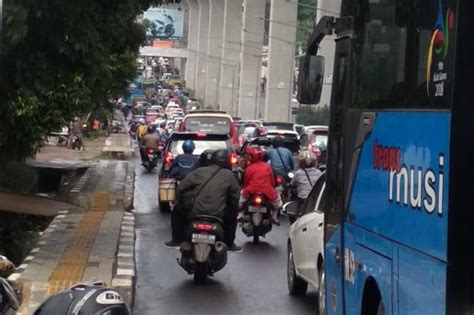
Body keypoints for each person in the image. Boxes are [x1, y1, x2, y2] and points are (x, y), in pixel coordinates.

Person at [165, 149, 242, 252]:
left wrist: (178, 202)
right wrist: (234, 207)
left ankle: (176, 240)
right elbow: (235, 196)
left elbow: (181, 187)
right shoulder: (229, 175)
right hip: (218, 214)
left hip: (195, 212)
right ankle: (229, 244)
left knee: (176, 212)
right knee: (232, 217)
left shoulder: (199, 171)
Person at [238, 146, 282, 225]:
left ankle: (240, 214)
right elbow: (272, 182)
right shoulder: (268, 167)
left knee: (240, 203)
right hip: (268, 191)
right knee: (277, 204)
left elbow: (245, 182)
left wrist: (244, 190)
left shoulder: (249, 168)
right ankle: (274, 217)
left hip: (250, 190)